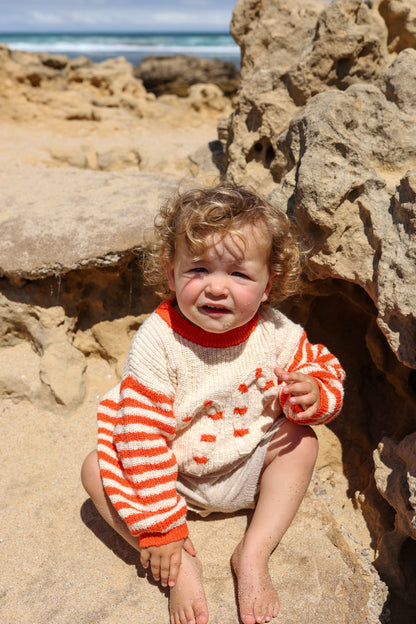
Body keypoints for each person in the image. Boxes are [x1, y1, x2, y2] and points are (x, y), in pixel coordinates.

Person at [81, 184, 345, 624]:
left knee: (302, 440)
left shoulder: (276, 331)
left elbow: (325, 370)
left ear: (267, 285)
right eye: (199, 270)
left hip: (246, 466)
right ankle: (180, 563)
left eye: (239, 275)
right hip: (173, 476)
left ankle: (253, 553)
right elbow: (142, 437)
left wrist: (314, 394)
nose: (217, 288)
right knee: (95, 469)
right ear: (171, 274)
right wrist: (159, 526)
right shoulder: (157, 340)